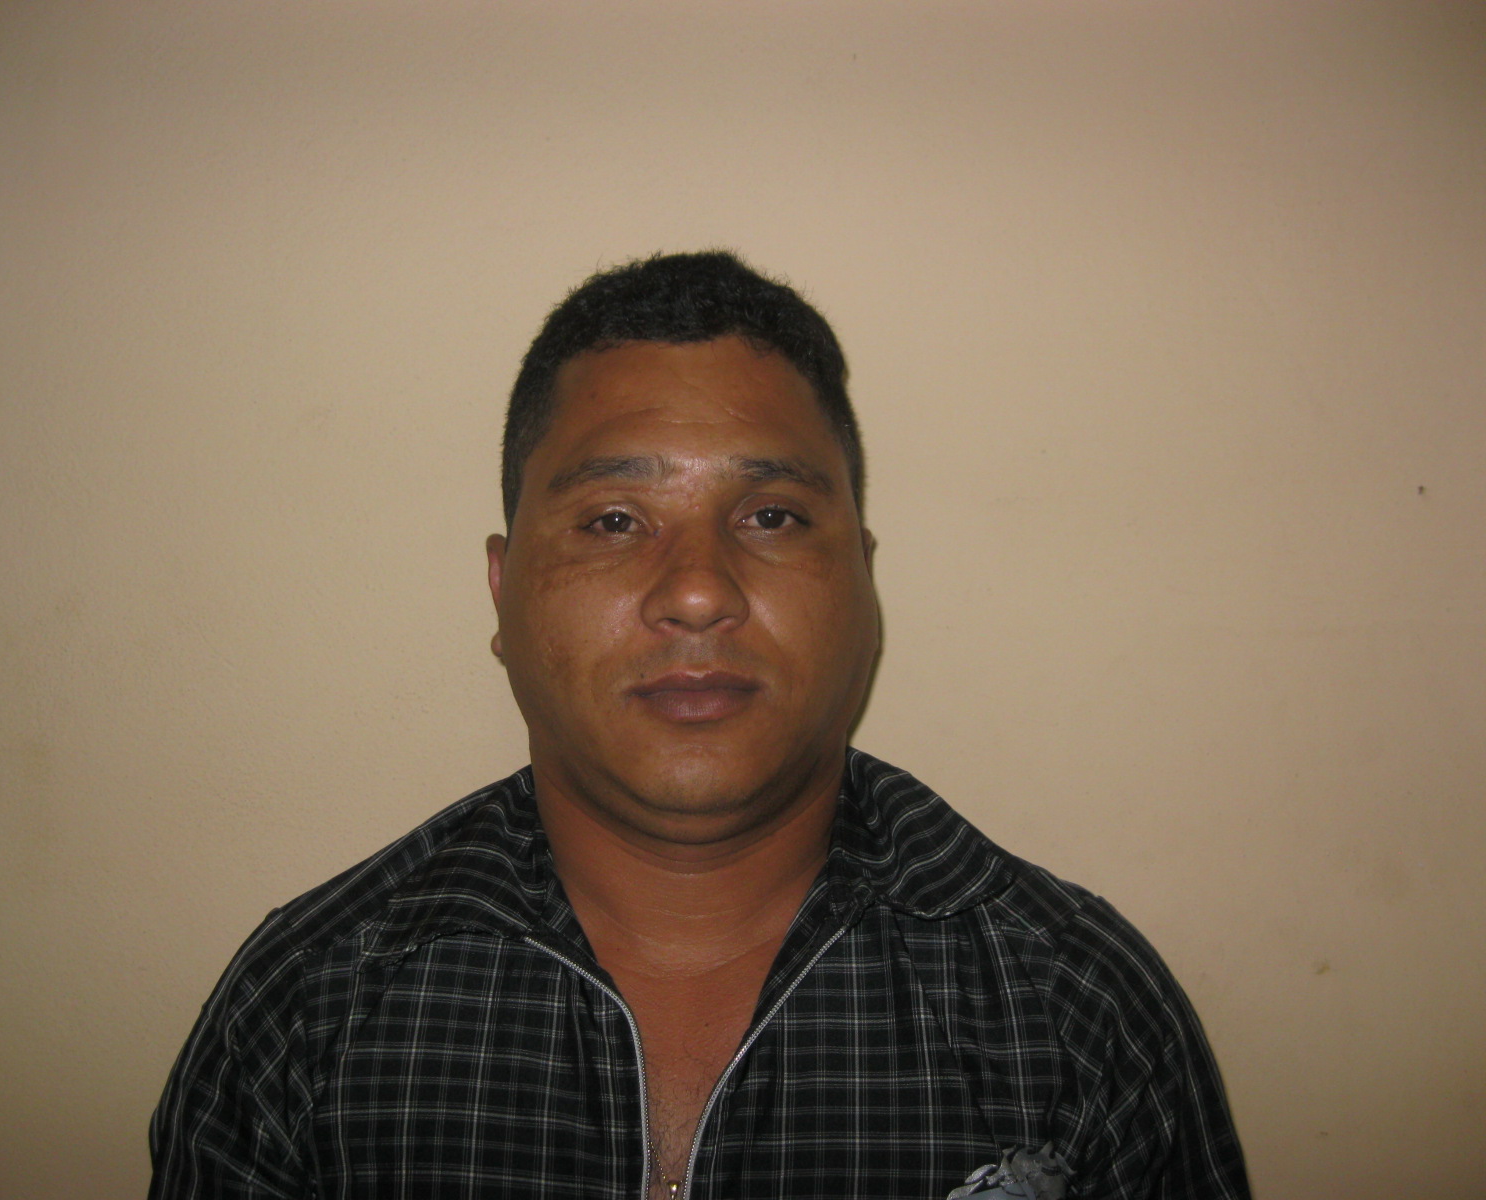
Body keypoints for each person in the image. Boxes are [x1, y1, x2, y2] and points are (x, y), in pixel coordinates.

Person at [148, 251, 1251, 1199]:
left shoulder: (1076, 1009)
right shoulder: (305, 1012)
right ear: (502, 591)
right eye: (612, 520)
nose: (695, 592)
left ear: (862, 587)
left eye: (770, 516)